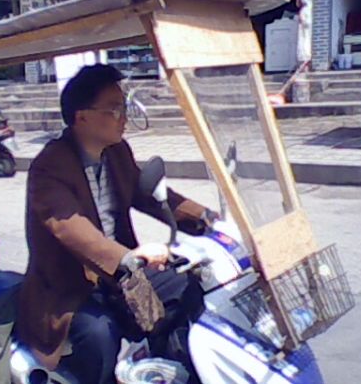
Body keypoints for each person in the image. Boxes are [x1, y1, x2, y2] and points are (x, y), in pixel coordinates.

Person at [17, 64, 217, 384]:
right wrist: (127, 256)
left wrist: (206, 218)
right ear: (82, 117)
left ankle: (164, 367)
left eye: (124, 107)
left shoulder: (117, 152)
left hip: (120, 276)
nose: (123, 116)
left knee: (190, 287)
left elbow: (148, 194)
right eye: (114, 109)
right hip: (70, 290)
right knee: (100, 334)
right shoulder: (50, 166)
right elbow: (69, 226)